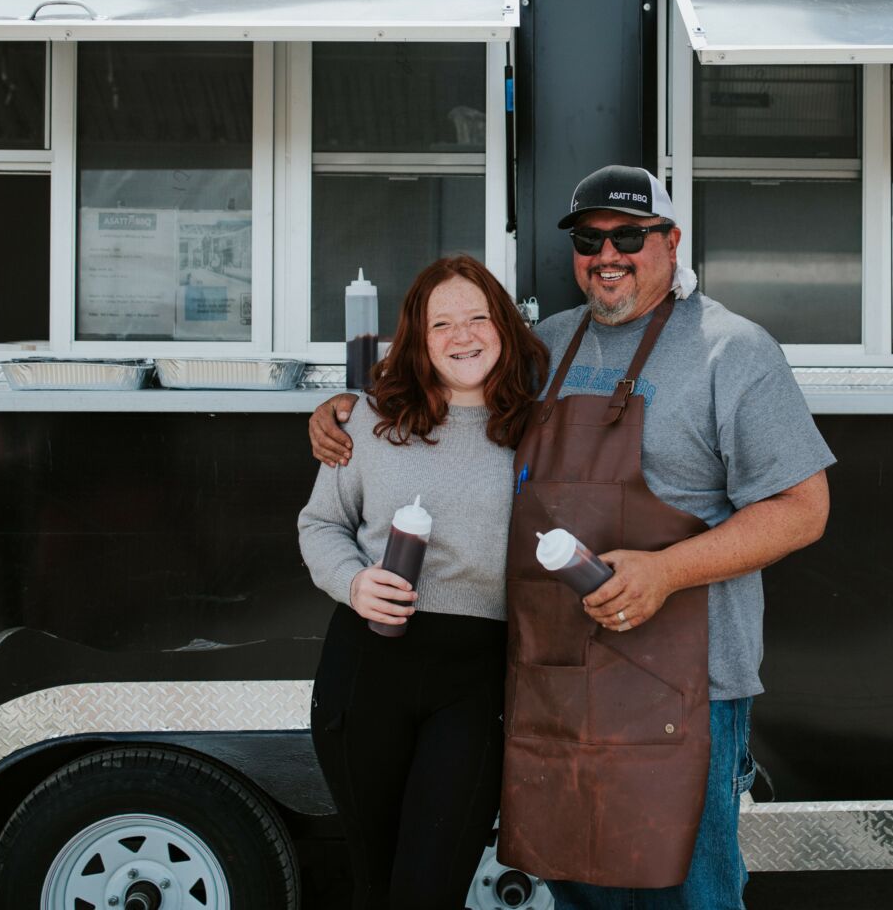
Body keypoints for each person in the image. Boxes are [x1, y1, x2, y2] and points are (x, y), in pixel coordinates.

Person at [311, 165, 833, 910]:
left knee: (690, 897)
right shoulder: (546, 346)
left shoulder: (733, 351)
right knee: (583, 896)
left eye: (630, 236)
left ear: (671, 240)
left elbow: (802, 509)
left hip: (682, 689)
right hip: (557, 680)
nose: (608, 254)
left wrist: (665, 572)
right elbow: (445, 377)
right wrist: (346, 409)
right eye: (589, 240)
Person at [298, 254, 548, 910]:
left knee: (429, 889)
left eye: (477, 318)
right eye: (442, 324)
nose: (462, 336)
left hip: (476, 681)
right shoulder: (370, 420)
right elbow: (320, 524)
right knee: (374, 884)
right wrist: (354, 582)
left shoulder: (538, 431)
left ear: (503, 327)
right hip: (368, 667)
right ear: (418, 336)